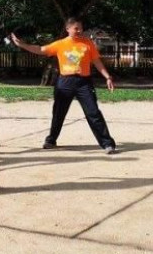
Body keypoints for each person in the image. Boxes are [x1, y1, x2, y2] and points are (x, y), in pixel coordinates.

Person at [10, 17, 117, 154]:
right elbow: (41, 49)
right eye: (76, 28)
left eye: (80, 28)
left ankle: (107, 143)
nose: (79, 31)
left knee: (93, 112)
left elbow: (96, 61)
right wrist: (23, 45)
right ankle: (51, 140)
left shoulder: (88, 43)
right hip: (65, 82)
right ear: (68, 29)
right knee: (58, 113)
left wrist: (107, 77)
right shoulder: (60, 44)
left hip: (84, 82)